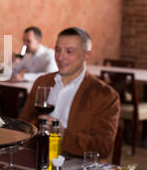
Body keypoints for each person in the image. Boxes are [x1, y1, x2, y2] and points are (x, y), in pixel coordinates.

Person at [19, 27, 120, 159]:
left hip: (78, 168)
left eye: (69, 51)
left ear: (87, 55)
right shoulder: (42, 83)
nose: (60, 57)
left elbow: (103, 147)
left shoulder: (105, 95)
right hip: (37, 160)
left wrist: (64, 136)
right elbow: (24, 125)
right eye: (58, 50)